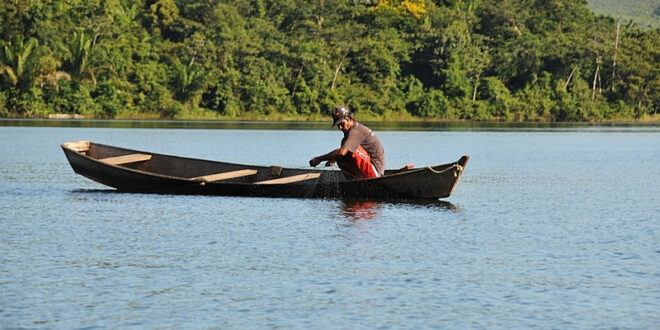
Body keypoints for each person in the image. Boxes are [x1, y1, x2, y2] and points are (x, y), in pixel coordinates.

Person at [309, 105, 385, 179]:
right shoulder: (348, 136)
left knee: (344, 152)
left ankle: (359, 180)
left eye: (342, 123)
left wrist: (319, 159)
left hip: (376, 172)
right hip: (367, 170)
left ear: (350, 119)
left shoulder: (355, 131)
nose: (340, 127)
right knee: (341, 153)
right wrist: (334, 158)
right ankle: (355, 181)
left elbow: (342, 153)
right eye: (338, 125)